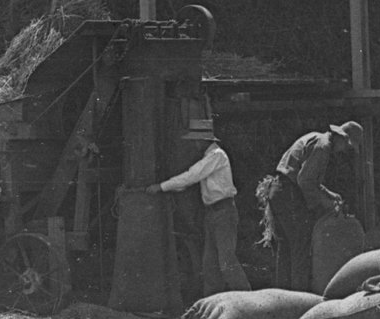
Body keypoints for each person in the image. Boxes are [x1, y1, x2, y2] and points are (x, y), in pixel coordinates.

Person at [130, 118, 251, 296]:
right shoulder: (210, 157)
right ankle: (211, 302)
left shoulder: (216, 156)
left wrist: (161, 187)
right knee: (210, 264)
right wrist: (168, 187)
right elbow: (186, 183)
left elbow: (191, 176)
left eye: (196, 140)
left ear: (203, 141)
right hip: (213, 212)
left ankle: (247, 299)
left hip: (223, 211)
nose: (194, 144)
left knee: (226, 261)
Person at [256, 120, 363, 292]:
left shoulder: (318, 140)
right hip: (289, 194)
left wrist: (329, 194)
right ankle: (300, 299)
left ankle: (283, 298)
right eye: (347, 146)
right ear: (342, 138)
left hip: (279, 191)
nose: (344, 151)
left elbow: (309, 180)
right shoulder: (322, 148)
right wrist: (327, 204)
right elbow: (304, 182)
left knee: (286, 250)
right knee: (301, 249)